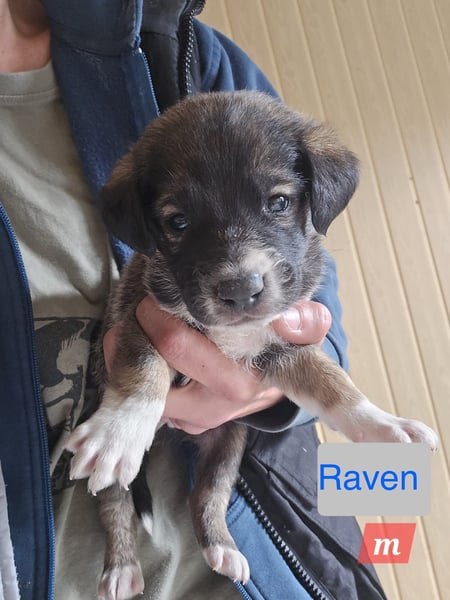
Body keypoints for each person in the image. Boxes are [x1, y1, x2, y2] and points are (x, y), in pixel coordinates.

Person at [0, 1, 387, 599]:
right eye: (177, 223)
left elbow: (315, 280)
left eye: (277, 202)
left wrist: (277, 387)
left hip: (268, 560)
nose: (240, 272)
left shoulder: (175, 43)